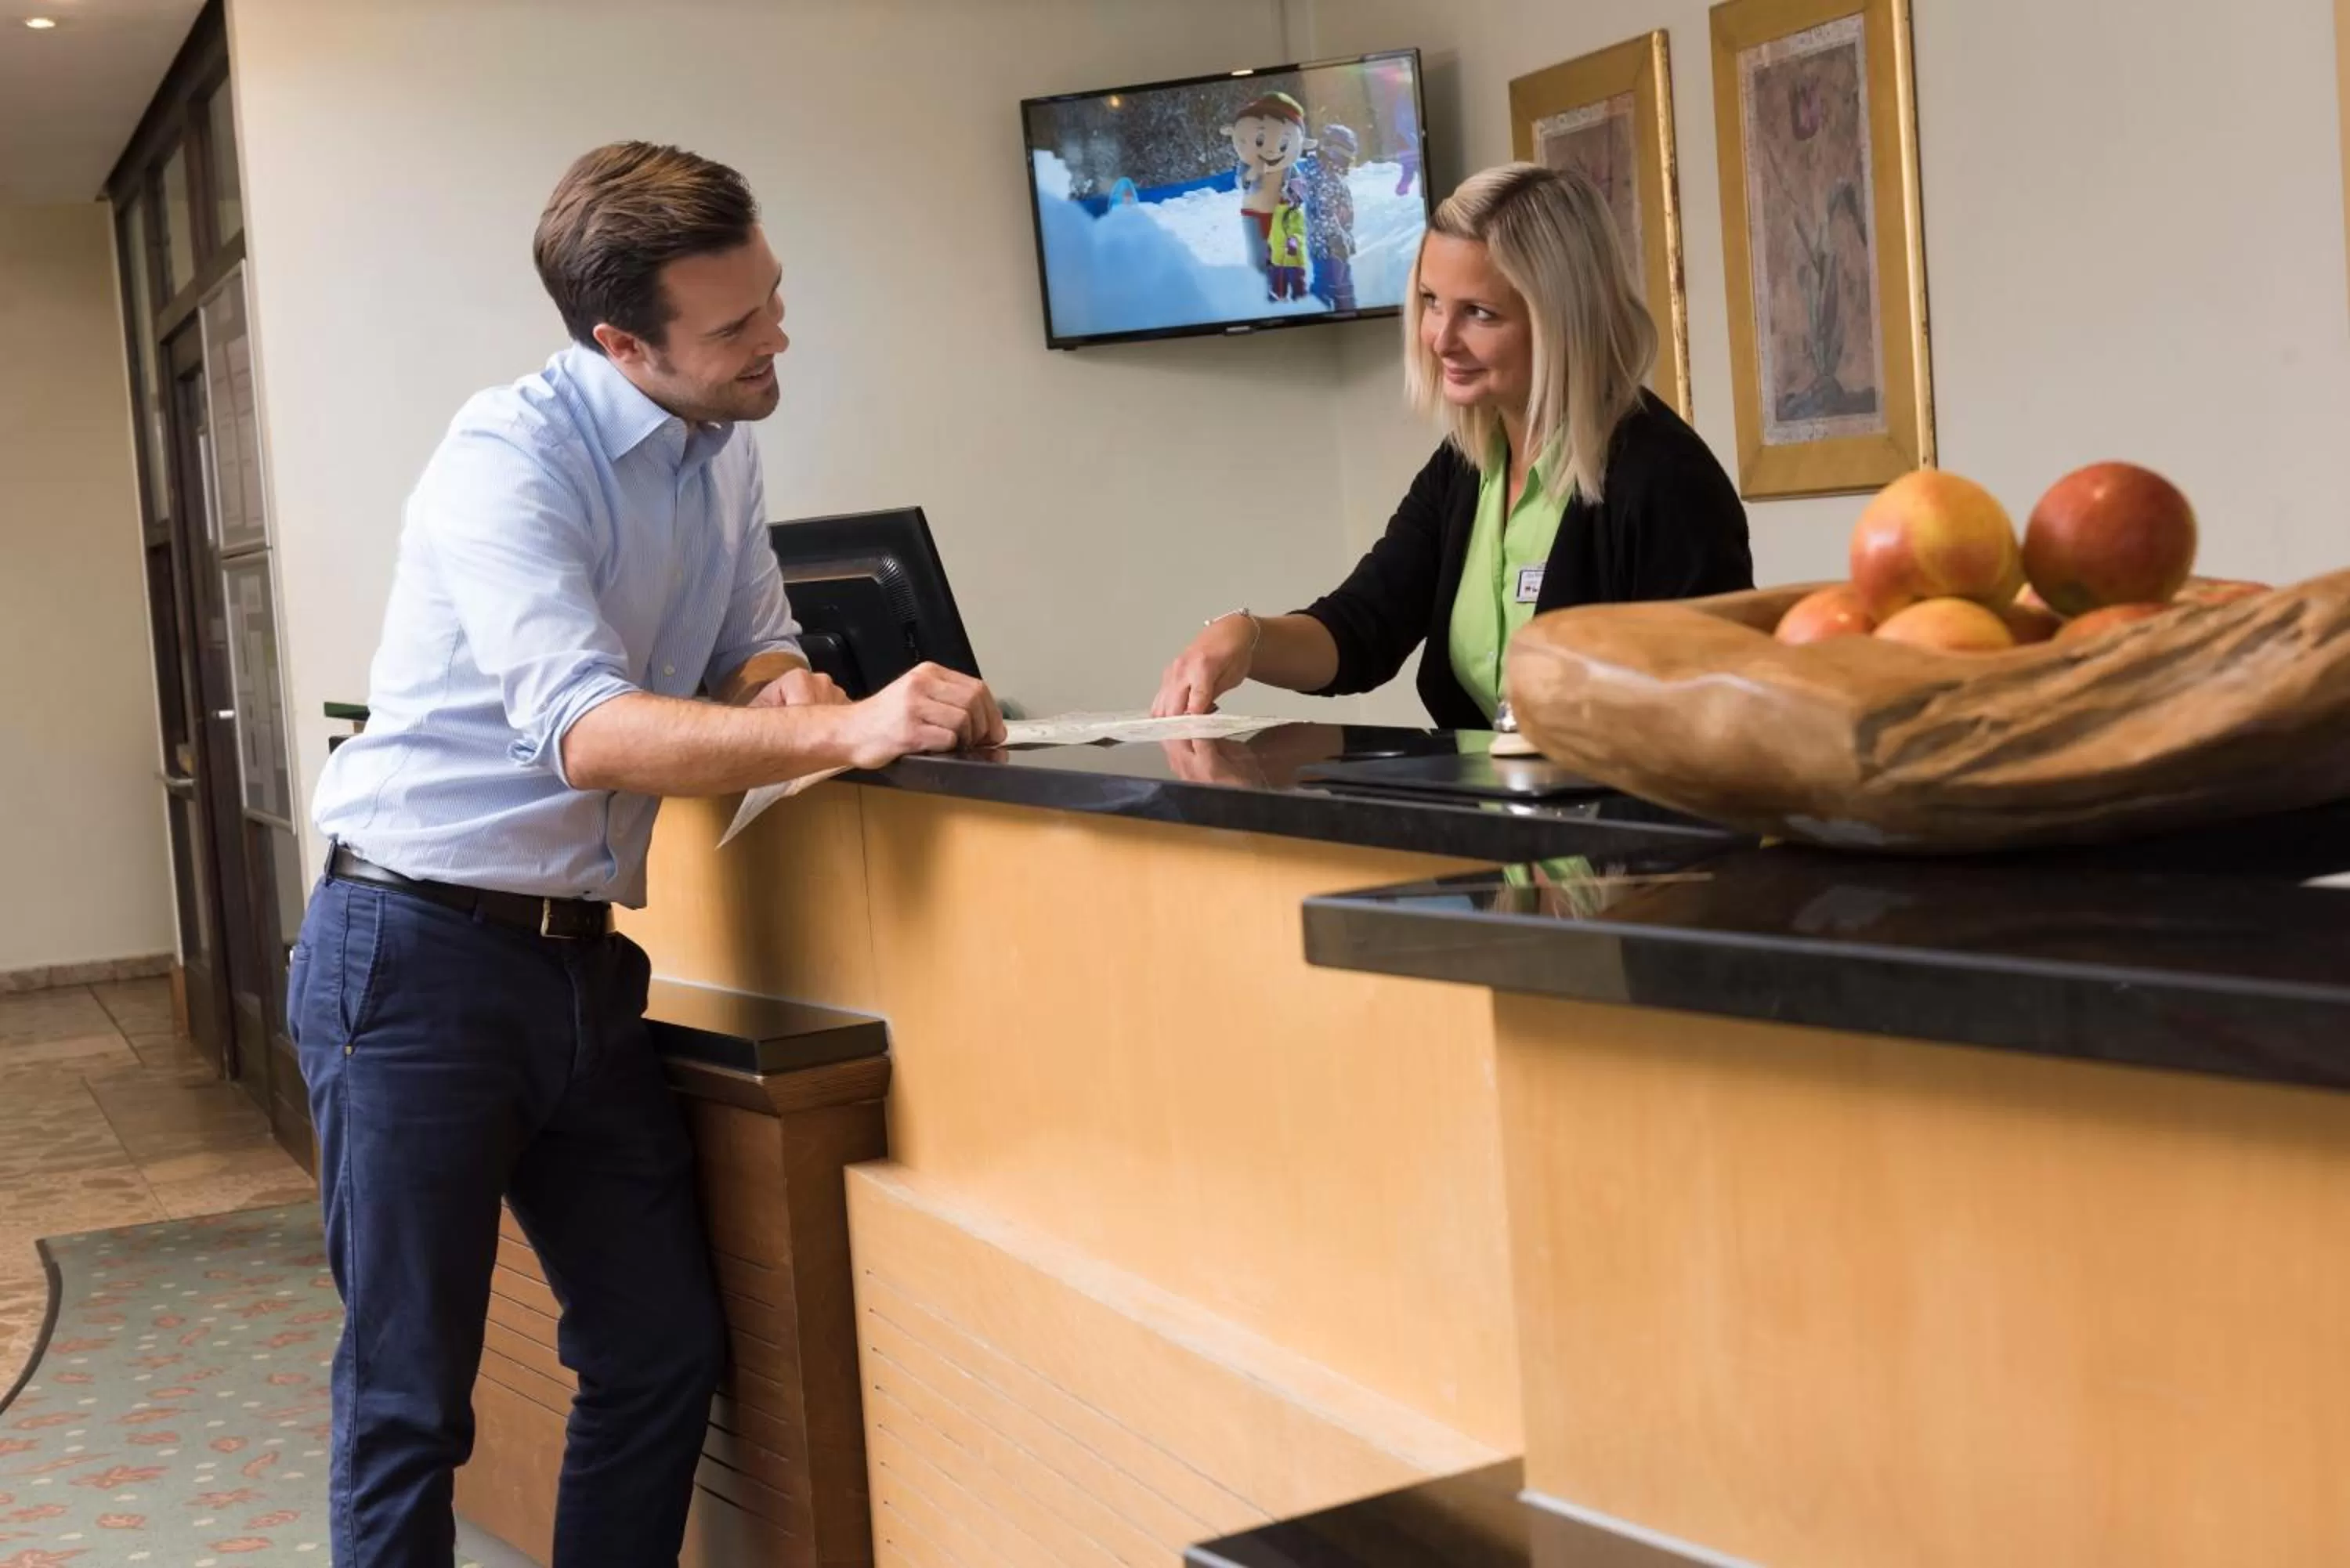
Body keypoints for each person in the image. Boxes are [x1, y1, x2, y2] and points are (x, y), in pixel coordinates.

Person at [291, 142, 1003, 1568]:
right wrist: (840, 732)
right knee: (407, 1405)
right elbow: (585, 733)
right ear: (623, 342)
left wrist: (793, 689)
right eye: (736, 327)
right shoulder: (510, 459)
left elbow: (754, 644)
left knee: (660, 1352)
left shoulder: (719, 447)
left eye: (774, 300)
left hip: (582, 970)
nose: (775, 340)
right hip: (415, 962)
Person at [1152, 162, 1751, 728]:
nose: (1440, 338)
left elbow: (1706, 714)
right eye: (1432, 302)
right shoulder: (1464, 469)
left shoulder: (1666, 479)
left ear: (1562, 319)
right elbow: (1361, 631)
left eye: (1480, 313)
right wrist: (1245, 637)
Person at [1306, 123, 1359, 312]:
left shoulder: (1330, 174)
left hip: (1334, 246)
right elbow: (1324, 212)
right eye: (1344, 156)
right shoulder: (1323, 175)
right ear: (1329, 150)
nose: (1347, 163)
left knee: (1338, 289)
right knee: (1333, 289)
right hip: (1329, 248)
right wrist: (1336, 241)